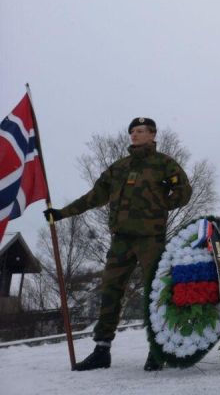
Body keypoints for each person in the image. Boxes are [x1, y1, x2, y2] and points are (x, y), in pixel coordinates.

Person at [44, 117, 192, 371]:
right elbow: (94, 196)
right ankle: (102, 350)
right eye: (132, 131)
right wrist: (61, 213)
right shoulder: (119, 167)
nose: (135, 135)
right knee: (110, 290)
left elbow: (184, 193)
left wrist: (160, 204)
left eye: (141, 131)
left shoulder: (164, 164)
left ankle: (157, 349)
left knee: (156, 293)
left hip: (150, 239)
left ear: (153, 134)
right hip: (121, 239)